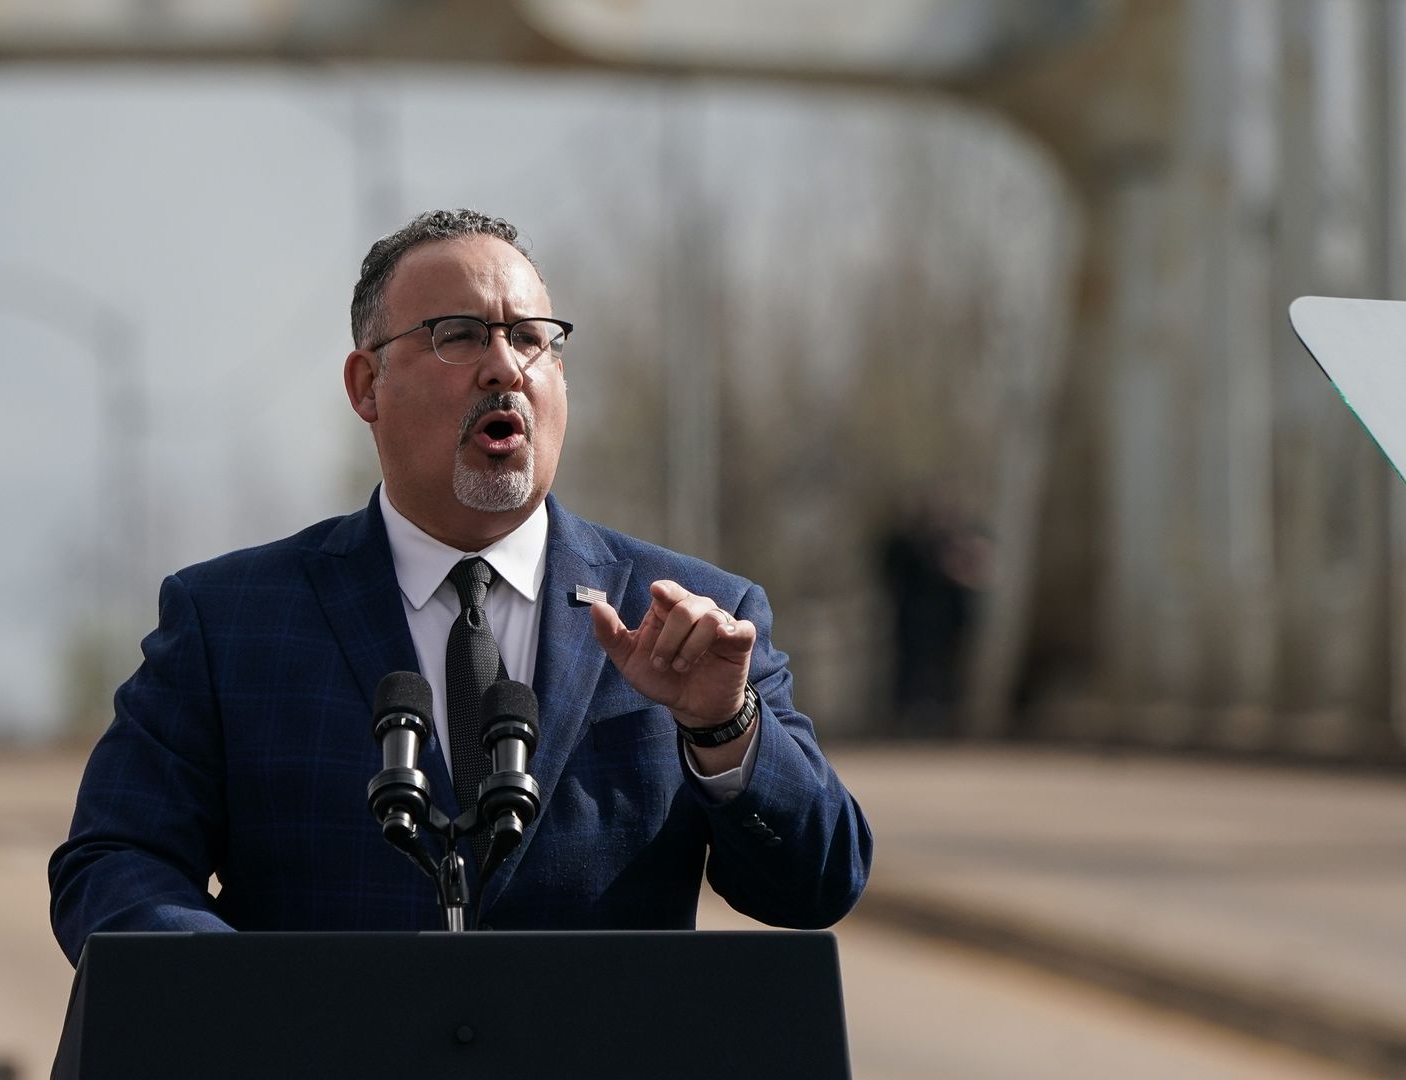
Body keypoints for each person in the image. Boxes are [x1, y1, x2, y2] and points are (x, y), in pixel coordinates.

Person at [49, 210, 870, 957]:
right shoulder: (231, 624)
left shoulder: (694, 616)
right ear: (366, 386)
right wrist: (237, 1001)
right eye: (460, 335)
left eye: (532, 338)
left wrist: (726, 727)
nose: (504, 368)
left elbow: (817, 882)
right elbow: (116, 860)